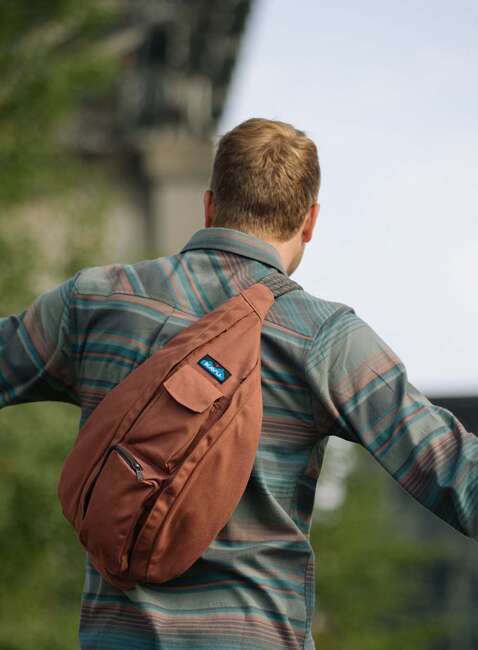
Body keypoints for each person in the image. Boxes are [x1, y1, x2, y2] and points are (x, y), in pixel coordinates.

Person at [0, 117, 476, 650]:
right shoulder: (326, 339)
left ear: (210, 205)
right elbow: (454, 472)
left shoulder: (95, 302)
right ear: (310, 221)